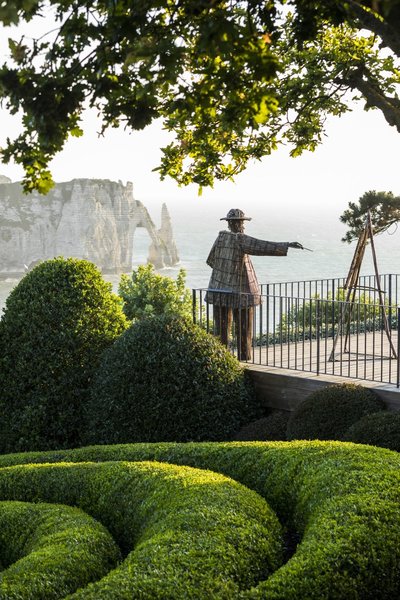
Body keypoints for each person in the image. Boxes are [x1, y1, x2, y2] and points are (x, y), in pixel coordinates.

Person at [205, 208, 304, 360]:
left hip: (218, 289)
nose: (242, 226)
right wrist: (288, 244)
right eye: (241, 222)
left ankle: (221, 358)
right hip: (241, 291)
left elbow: (211, 260)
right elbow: (261, 246)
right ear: (235, 224)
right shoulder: (240, 239)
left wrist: (225, 272)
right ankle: (243, 357)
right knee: (243, 327)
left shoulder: (220, 239)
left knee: (221, 330)